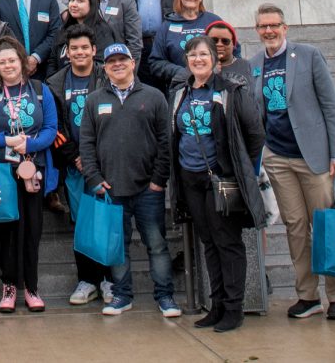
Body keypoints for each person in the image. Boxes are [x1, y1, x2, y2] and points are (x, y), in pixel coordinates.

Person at [252, 4, 335, 321]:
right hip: (278, 157)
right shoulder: (254, 64)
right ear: (256, 30)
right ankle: (307, 295)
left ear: (285, 27)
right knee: (295, 228)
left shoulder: (308, 56)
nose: (269, 31)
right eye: (263, 26)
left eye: (274, 25)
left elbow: (331, 107)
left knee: (324, 225)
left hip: (314, 156)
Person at [169, 35, 266, 334]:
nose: (198, 60)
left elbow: (255, 134)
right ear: (186, 60)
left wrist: (241, 170)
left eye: (204, 54)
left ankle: (234, 308)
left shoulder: (231, 91)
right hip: (190, 178)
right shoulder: (180, 93)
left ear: (215, 58)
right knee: (209, 242)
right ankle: (217, 304)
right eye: (193, 55)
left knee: (228, 242)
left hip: (221, 179)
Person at [78, 42, 180, 318]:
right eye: (112, 61)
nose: (118, 64)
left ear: (133, 63)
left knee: (157, 244)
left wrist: (159, 180)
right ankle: (122, 296)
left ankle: (165, 296)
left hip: (149, 188)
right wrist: (95, 178)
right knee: (117, 247)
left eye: (123, 59)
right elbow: (86, 144)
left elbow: (165, 142)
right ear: (105, 67)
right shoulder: (94, 100)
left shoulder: (155, 96)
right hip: (111, 190)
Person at [0, 38, 59, 313]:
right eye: (2, 62)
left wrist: (30, 145)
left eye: (12, 60)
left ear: (22, 62)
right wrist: (8, 141)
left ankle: (31, 287)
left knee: (33, 230)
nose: (8, 65)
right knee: (8, 231)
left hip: (33, 169)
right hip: (3, 172)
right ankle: (9, 286)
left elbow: (50, 128)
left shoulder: (39, 90)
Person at [45, 25, 111, 306]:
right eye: (74, 48)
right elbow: (56, 128)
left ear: (94, 50)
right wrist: (76, 157)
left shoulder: (106, 76)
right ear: (67, 52)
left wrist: (96, 158)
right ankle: (87, 280)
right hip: (74, 165)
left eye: (85, 47)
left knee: (105, 223)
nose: (79, 52)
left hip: (105, 162)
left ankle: (108, 280)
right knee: (82, 224)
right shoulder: (55, 83)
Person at [148, 0, 225, 91]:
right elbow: (155, 63)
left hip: (214, 88)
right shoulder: (167, 26)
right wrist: (181, 72)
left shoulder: (214, 21)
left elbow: (232, 51)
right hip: (181, 89)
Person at [48, 0, 116, 75]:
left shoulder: (103, 30)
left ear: (92, 4)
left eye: (80, 1)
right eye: (72, 0)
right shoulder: (62, 29)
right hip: (61, 85)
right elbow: (52, 62)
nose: (74, 4)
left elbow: (103, 63)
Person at [206, 19, 253, 83]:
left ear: (233, 44)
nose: (219, 44)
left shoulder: (247, 66)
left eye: (225, 41)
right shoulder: (195, 68)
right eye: (214, 40)